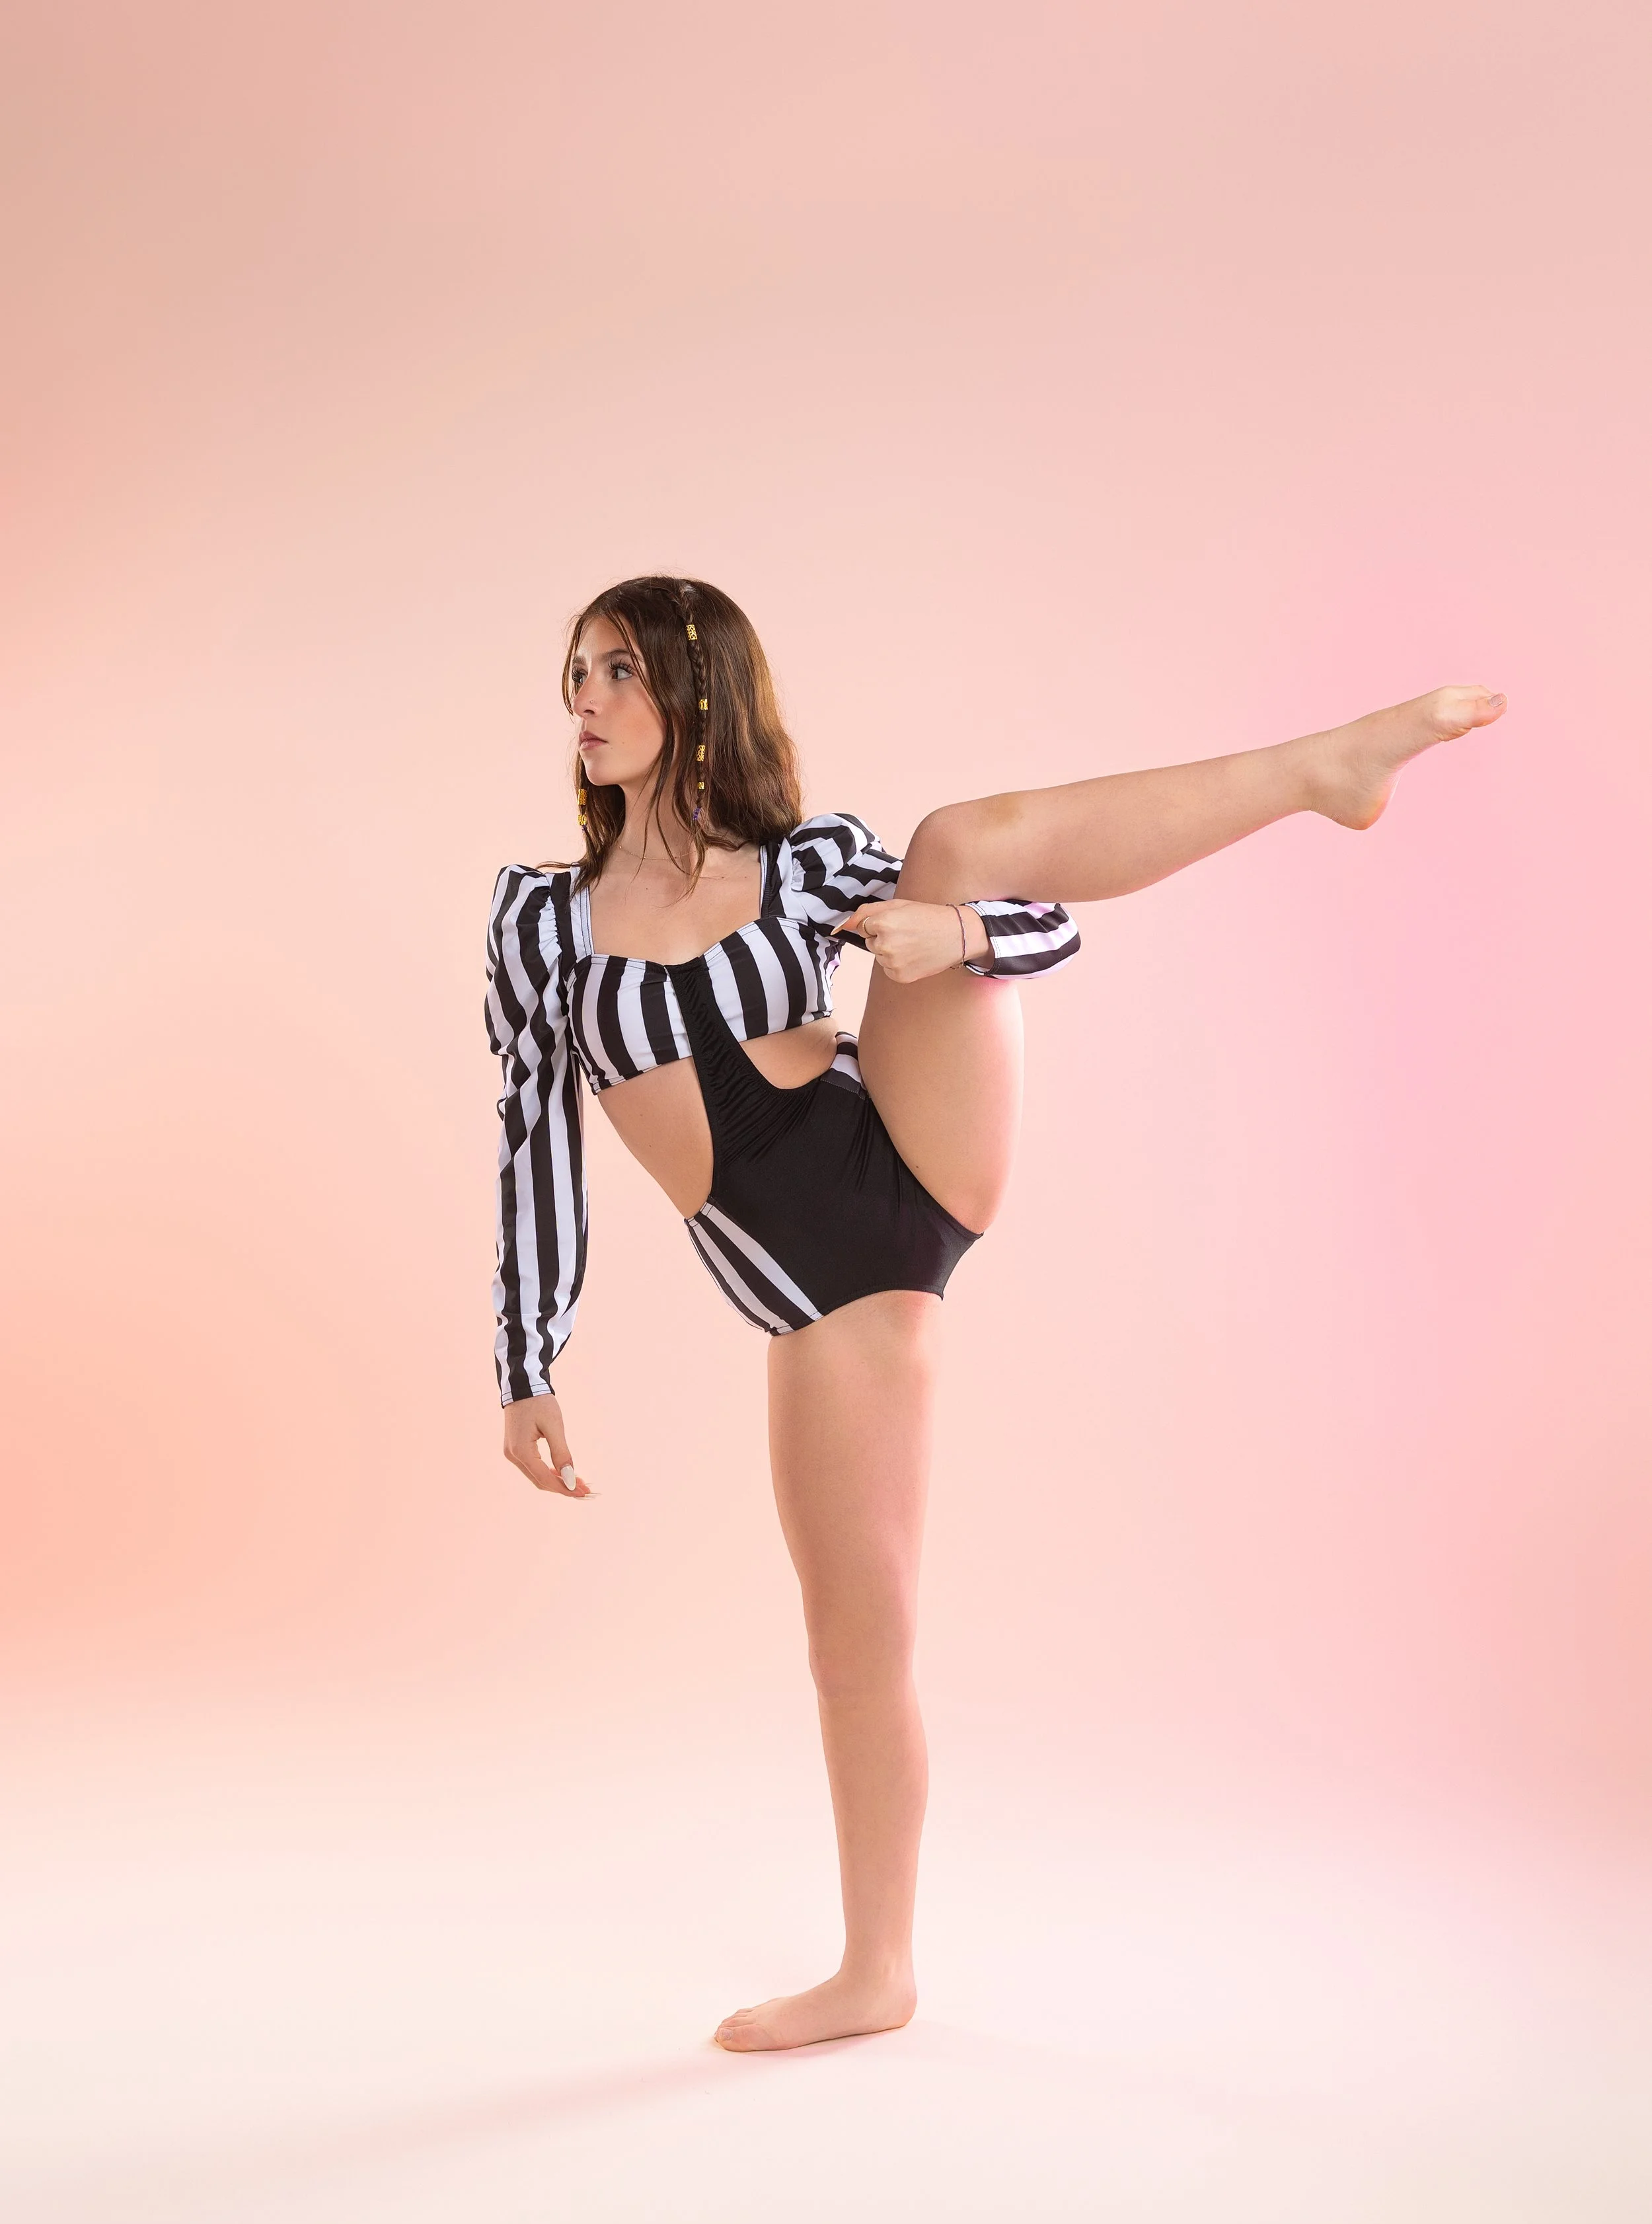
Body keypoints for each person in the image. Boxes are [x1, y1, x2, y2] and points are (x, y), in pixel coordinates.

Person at [486, 574, 1505, 2053]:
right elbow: (531, 1135)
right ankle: (875, 1972)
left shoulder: (806, 864)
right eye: (574, 671)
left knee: (954, 847)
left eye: (618, 672)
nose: (583, 699)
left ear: (696, 693)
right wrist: (527, 1363)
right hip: (818, 1284)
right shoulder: (541, 921)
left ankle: (1313, 769)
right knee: (857, 1622)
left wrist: (954, 944)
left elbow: (1045, 933)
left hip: (908, 1151)